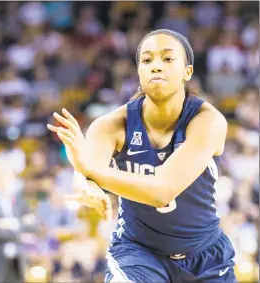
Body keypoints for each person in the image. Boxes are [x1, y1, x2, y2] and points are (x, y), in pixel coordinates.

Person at [47, 29, 236, 283]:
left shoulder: (207, 121)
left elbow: (162, 191)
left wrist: (93, 172)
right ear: (139, 72)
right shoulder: (111, 125)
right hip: (137, 252)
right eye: (147, 60)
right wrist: (87, 186)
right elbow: (85, 173)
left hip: (204, 255)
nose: (156, 66)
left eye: (167, 59)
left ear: (187, 72)